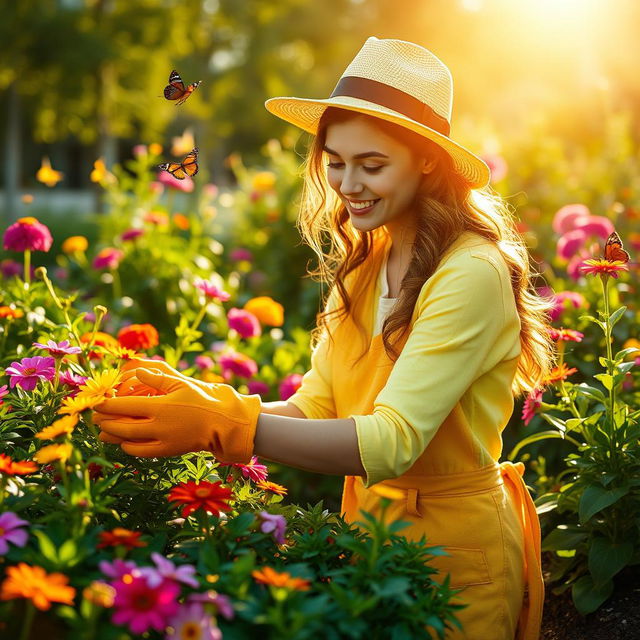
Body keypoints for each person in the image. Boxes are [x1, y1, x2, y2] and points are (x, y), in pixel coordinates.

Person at [94, 37, 555, 640]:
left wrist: (229, 423)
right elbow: (318, 407)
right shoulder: (367, 259)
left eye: (371, 164)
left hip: (456, 563)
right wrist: (199, 402)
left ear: (425, 160)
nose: (347, 184)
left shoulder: (471, 272)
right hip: (370, 545)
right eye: (335, 161)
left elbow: (391, 443)